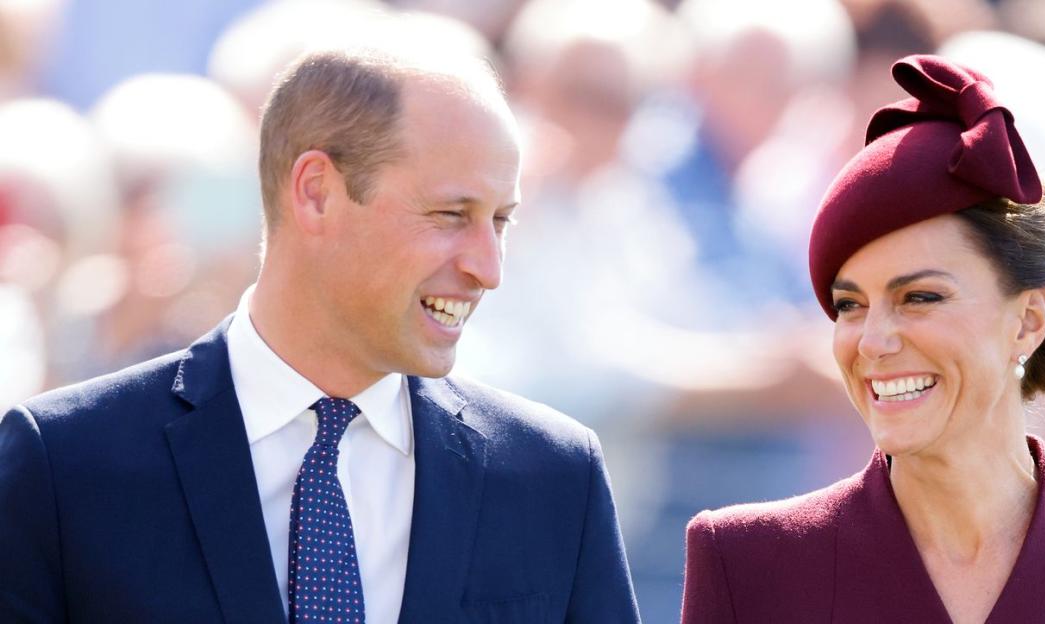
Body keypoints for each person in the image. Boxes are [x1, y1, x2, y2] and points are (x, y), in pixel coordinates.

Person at [0, 43, 640, 623]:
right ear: (315, 193)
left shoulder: (553, 475)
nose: (488, 269)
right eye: (451, 214)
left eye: (500, 221)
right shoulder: (64, 464)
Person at [681, 55, 1045, 623]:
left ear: (1030, 320)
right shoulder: (748, 564)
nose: (872, 341)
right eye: (850, 305)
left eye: (920, 297)